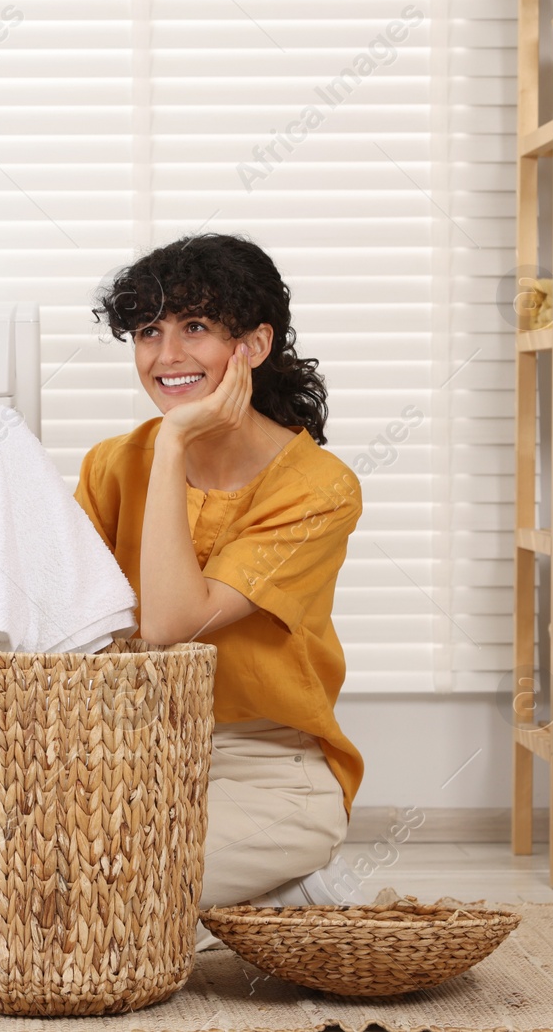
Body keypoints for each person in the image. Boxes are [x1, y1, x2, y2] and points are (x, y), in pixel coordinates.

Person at [74, 233, 366, 911]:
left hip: (269, 770)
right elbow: (66, 623)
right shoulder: (109, 465)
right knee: (35, 887)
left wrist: (175, 441)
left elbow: (173, 624)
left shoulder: (319, 489)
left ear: (254, 346)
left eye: (195, 327)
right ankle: (259, 902)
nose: (167, 356)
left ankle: (266, 883)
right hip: (133, 755)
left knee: (110, 898)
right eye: (149, 331)